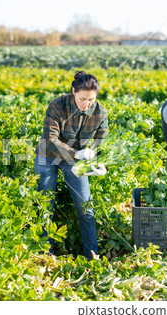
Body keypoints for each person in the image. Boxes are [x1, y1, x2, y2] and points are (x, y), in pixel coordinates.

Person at [34, 71, 108, 260]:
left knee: (85, 206)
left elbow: (101, 143)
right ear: (73, 91)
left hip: (77, 160)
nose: (86, 104)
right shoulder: (57, 106)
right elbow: (50, 140)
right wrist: (76, 153)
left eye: (91, 99)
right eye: (82, 99)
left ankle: (92, 255)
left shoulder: (100, 112)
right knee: (45, 205)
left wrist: (100, 162)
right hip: (48, 155)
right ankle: (45, 255)